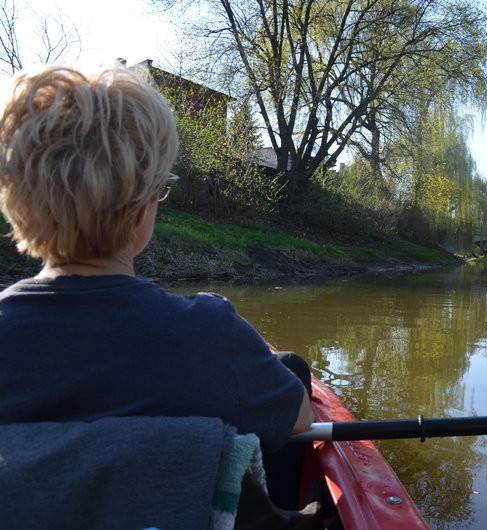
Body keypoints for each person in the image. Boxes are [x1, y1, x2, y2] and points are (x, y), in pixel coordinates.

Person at [0, 64, 314, 501]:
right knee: (293, 370)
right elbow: (299, 418)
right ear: (144, 208)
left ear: (15, 200)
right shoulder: (208, 333)